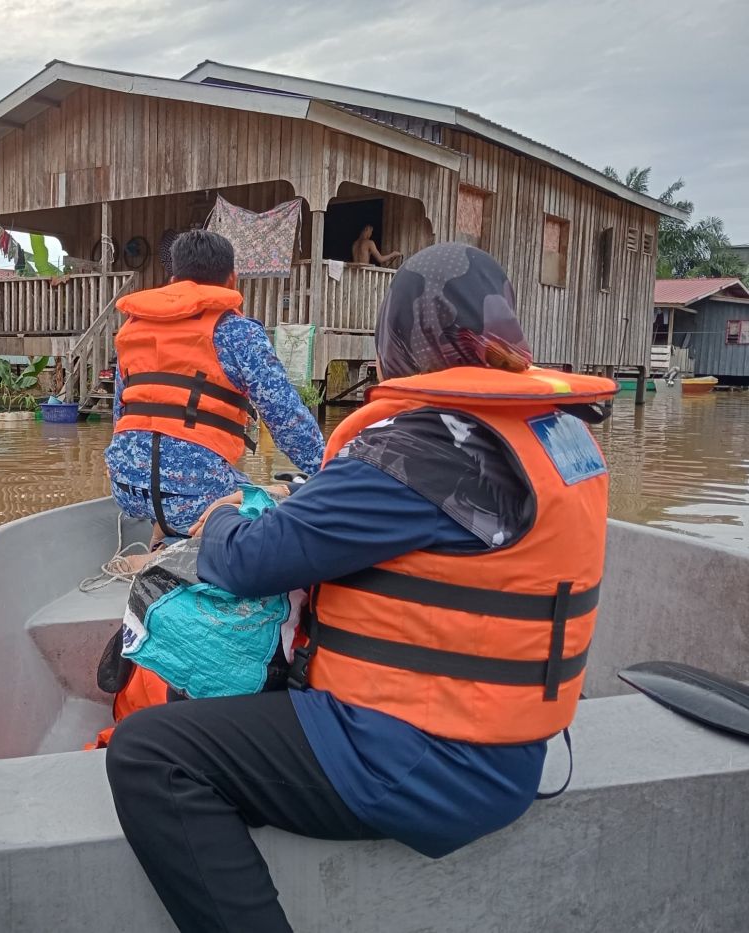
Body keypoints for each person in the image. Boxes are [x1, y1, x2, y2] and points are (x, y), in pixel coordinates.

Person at [105, 242, 618, 933]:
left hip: (421, 762)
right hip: (508, 748)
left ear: (399, 339)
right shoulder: (552, 432)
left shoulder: (422, 450)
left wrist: (223, 514)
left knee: (150, 751)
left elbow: (253, 560)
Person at [104, 229, 322, 543]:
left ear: (172, 280)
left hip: (127, 488)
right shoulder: (237, 332)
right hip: (197, 495)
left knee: (176, 485)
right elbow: (287, 420)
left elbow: (120, 415)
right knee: (276, 498)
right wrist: (331, 471)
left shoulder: (133, 329)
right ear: (232, 280)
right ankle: (175, 551)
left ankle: (158, 537)